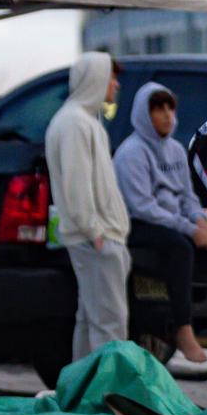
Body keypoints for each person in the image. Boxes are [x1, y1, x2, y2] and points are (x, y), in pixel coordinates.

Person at [113, 82, 207, 367]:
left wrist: (201, 223)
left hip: (175, 223)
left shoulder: (175, 150)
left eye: (169, 108)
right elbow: (142, 206)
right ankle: (183, 329)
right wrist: (190, 229)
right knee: (181, 247)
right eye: (158, 108)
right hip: (140, 224)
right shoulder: (130, 153)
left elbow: (187, 196)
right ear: (143, 113)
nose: (166, 115)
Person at [45, 52, 131, 362]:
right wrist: (95, 232)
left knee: (91, 319)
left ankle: (82, 395)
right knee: (110, 323)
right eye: (111, 77)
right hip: (96, 237)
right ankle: (105, 395)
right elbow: (77, 186)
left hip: (99, 236)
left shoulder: (83, 121)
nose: (116, 85)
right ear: (95, 79)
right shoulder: (74, 124)